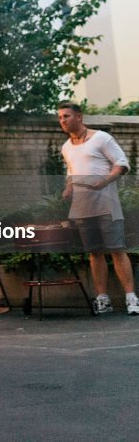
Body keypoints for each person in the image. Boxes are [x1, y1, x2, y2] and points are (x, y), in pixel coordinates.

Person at [57, 102, 137, 316]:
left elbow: (122, 164)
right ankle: (103, 299)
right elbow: (71, 174)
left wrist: (104, 181)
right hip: (83, 208)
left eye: (67, 116)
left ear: (79, 117)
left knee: (117, 250)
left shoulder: (101, 138)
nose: (63, 121)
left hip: (107, 205)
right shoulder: (66, 147)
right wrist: (68, 189)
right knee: (94, 253)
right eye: (60, 117)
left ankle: (131, 298)